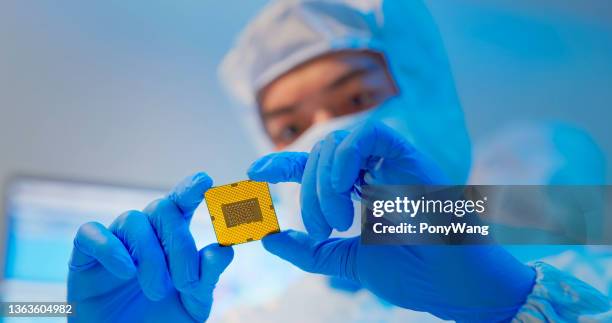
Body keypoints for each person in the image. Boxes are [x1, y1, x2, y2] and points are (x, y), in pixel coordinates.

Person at [67, 0, 612, 322]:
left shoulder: (586, 271)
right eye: (289, 127)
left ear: (430, 100)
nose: (327, 136)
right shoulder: (267, 317)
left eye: (356, 99)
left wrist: (509, 303)